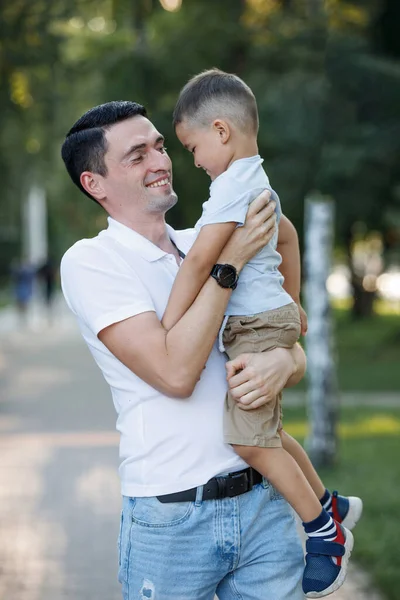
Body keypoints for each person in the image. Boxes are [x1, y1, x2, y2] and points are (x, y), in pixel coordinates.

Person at [60, 100, 308, 600]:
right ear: (96, 184)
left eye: (160, 146)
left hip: (264, 504)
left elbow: (285, 242)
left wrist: (288, 356)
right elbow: (176, 374)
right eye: (137, 155)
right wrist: (229, 264)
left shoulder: (204, 241)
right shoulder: (93, 262)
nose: (160, 161)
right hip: (173, 520)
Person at [164, 69, 363, 598]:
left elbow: (200, 262)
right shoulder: (256, 179)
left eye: (192, 146)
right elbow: (289, 239)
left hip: (254, 326)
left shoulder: (229, 190)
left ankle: (324, 533)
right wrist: (293, 303)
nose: (193, 159)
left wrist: (169, 325)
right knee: (268, 434)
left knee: (246, 441)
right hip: (267, 318)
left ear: (221, 131)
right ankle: (330, 503)